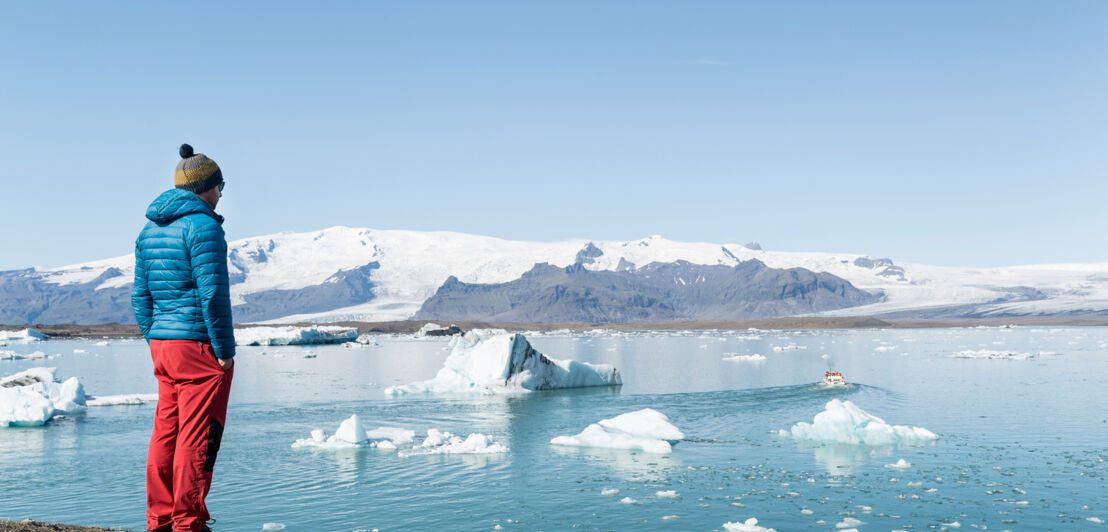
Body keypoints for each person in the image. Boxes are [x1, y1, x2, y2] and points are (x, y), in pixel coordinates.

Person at [132, 144, 236, 532]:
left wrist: (156, 338)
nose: (222, 193)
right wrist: (223, 350)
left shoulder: (149, 229)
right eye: (220, 185)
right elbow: (213, 295)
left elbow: (140, 296)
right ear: (205, 187)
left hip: (164, 344)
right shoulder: (205, 226)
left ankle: (158, 518)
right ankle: (187, 522)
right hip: (198, 346)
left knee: (166, 431)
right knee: (198, 433)